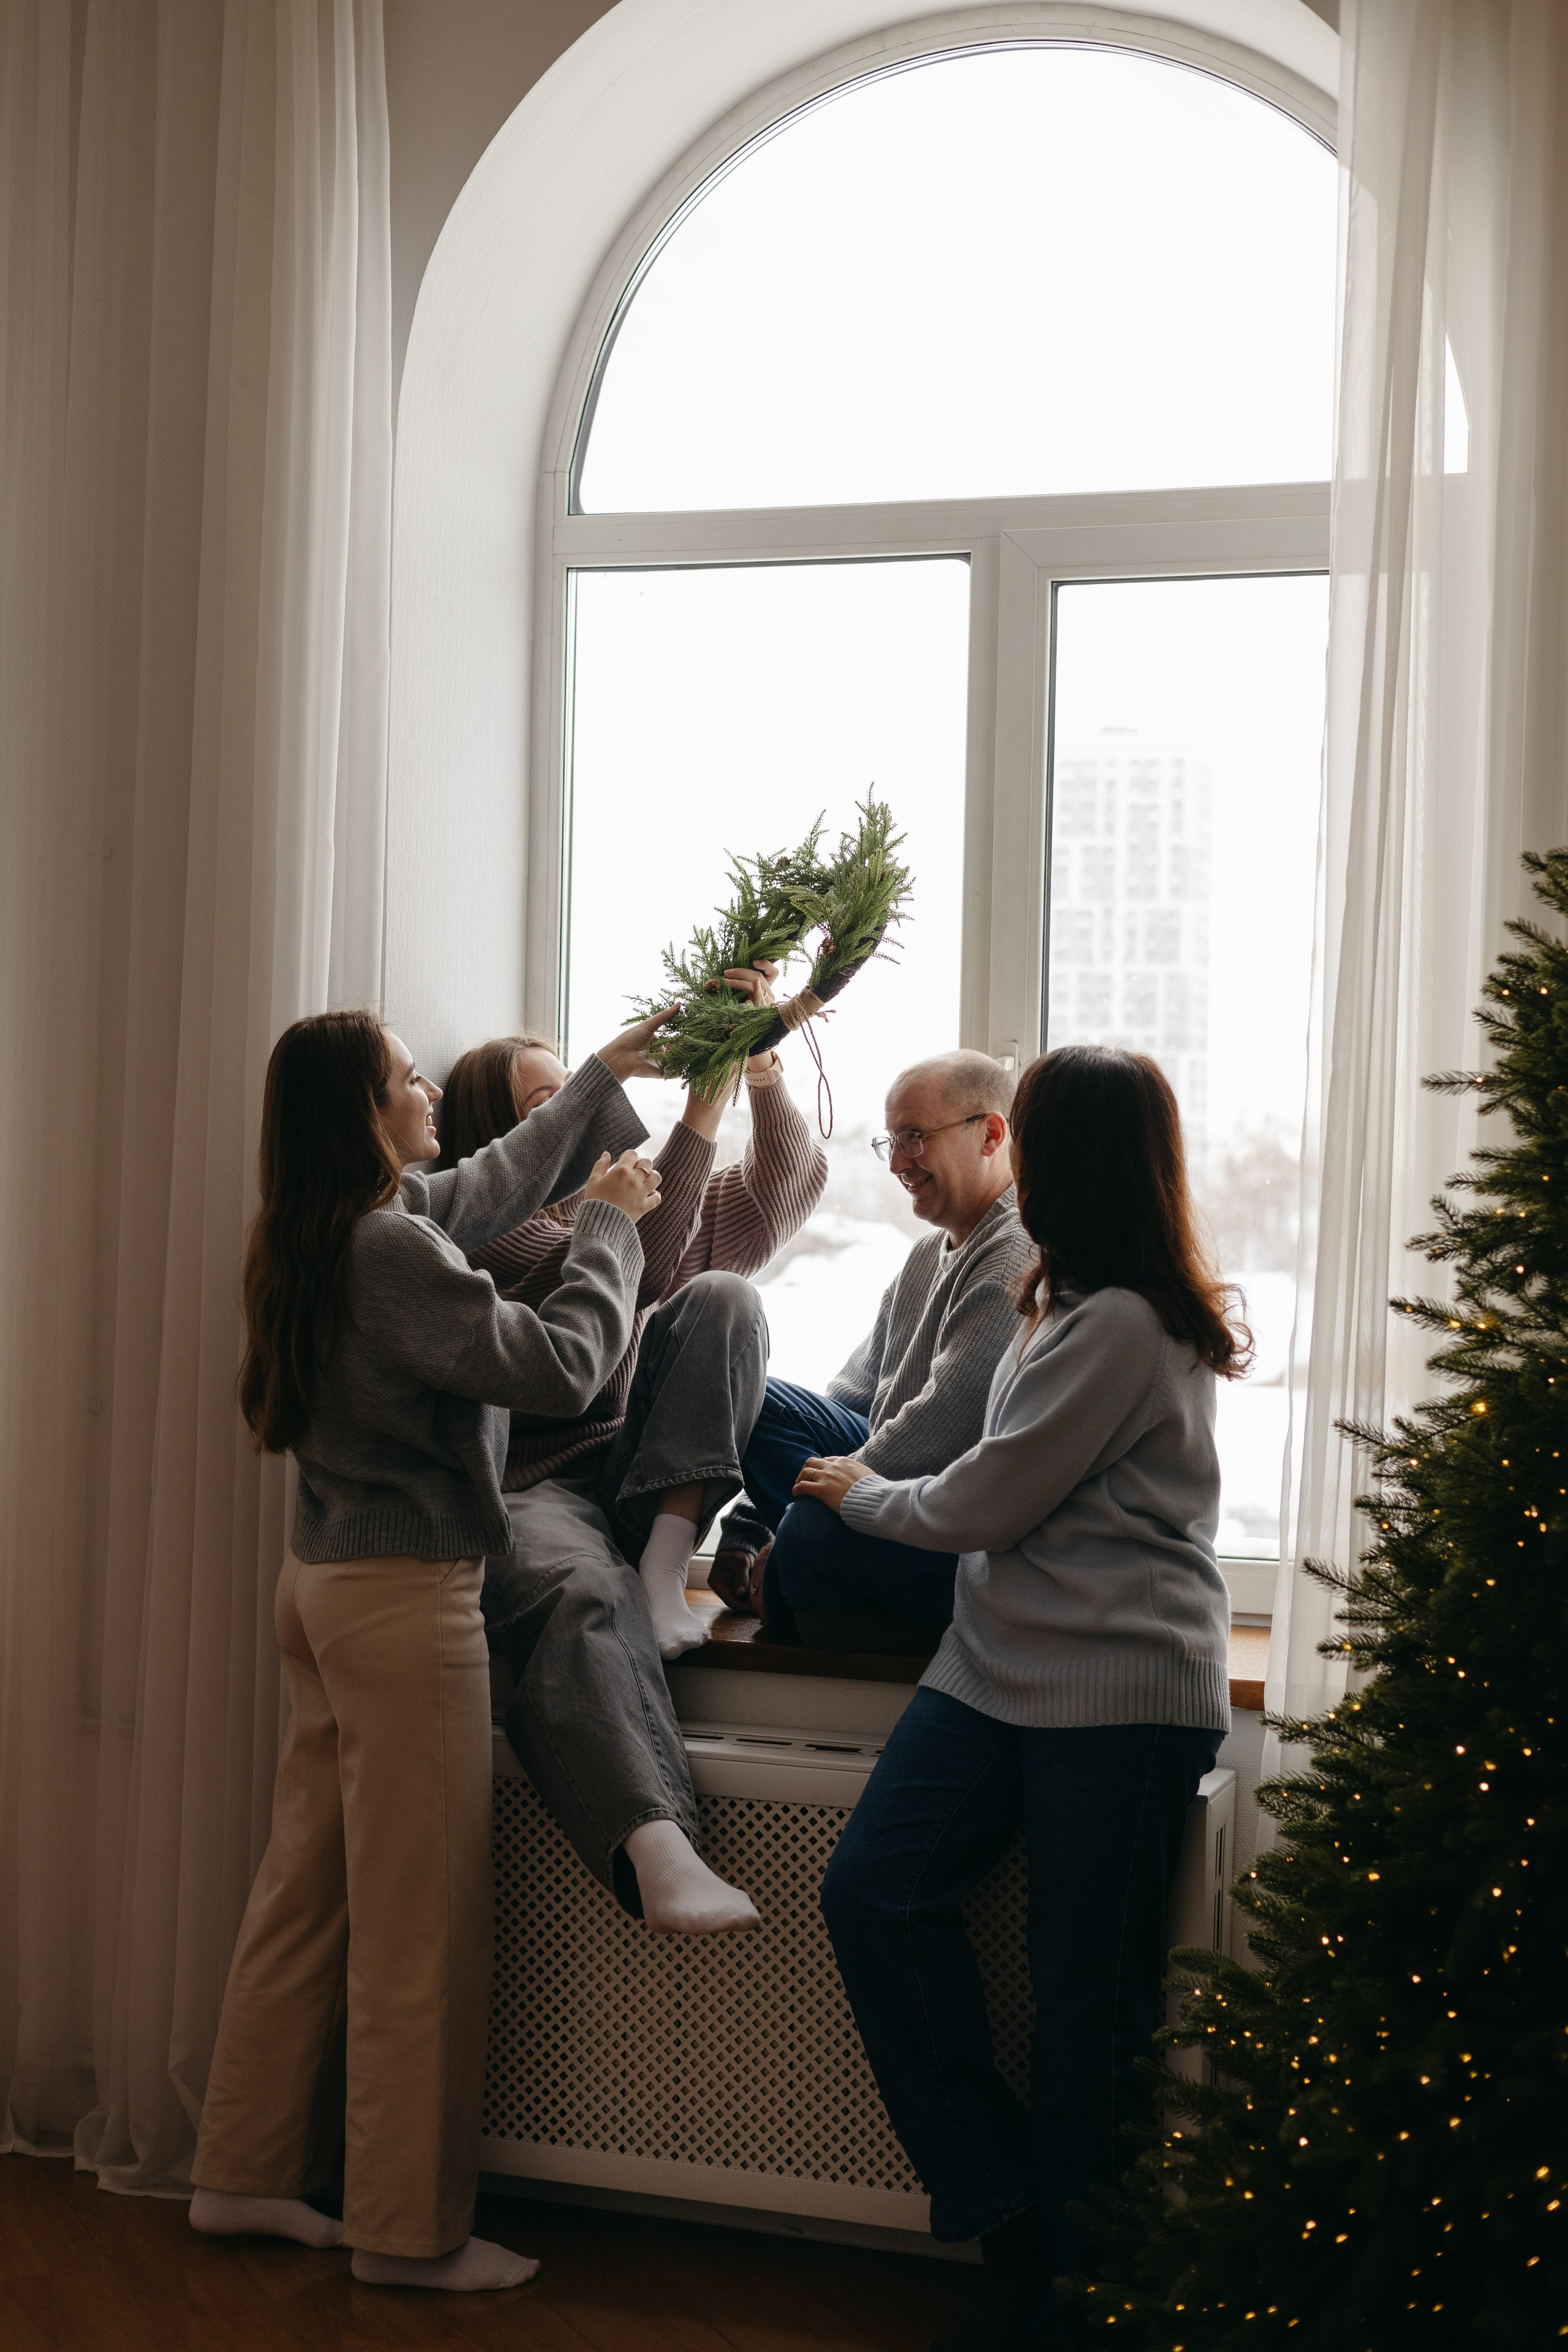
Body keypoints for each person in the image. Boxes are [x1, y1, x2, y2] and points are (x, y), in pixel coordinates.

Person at [189, 1004, 672, 2291]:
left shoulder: (324, 1229)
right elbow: (564, 1367)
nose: (433, 1099)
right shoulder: (388, 1254)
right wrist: (611, 1226)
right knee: (421, 1926)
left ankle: (238, 2176)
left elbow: (479, 1184)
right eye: (410, 1082)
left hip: (325, 1587)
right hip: (405, 1604)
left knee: (306, 1895)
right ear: (365, 1114)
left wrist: (607, 1080)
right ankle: (408, 2236)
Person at [808, 1044, 1243, 2351]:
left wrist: (855, 1496)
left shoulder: (1122, 1319)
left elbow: (982, 1500)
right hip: (994, 1665)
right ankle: (1002, 2185)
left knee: (1086, 2004)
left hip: (1119, 1686)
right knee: (871, 1889)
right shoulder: (1056, 1293)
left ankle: (1085, 2297)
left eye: (1031, 1137)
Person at [448, 965, 826, 1934]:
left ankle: (666, 1567)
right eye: (550, 1101)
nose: (586, 1113)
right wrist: (701, 1104)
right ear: (510, 1136)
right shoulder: (484, 1238)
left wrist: (763, 1063)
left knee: (727, 1300)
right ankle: (654, 1847)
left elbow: (782, 1198)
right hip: (528, 1485)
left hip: (631, 1475)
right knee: (576, 1594)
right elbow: (639, 1255)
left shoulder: (611, 1202)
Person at [709, 1050, 1031, 1652]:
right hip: (880, 1483)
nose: (899, 1163)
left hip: (944, 1517)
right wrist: (748, 1526)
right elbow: (851, 1398)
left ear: (990, 1134)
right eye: (890, 1143)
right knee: (747, 1395)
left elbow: (942, 1432)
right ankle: (802, 1581)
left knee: (806, 1536)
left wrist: (821, 1511)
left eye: (914, 1137)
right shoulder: (925, 1257)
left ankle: (799, 1578)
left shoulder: (1016, 1252)